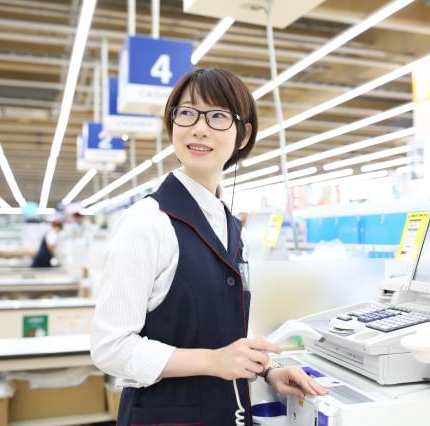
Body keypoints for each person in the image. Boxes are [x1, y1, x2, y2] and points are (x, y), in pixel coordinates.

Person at [90, 67, 327, 426]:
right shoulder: (147, 222)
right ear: (172, 124)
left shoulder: (230, 224)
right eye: (186, 113)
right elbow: (110, 348)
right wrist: (213, 362)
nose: (199, 127)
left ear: (243, 134)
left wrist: (266, 371)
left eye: (217, 116)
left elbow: (221, 330)